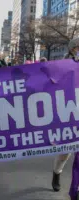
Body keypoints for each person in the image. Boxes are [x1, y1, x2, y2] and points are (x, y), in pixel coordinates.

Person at [52, 37, 79, 192]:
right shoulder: (63, 66)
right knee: (64, 154)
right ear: (72, 49)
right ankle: (57, 173)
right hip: (69, 114)